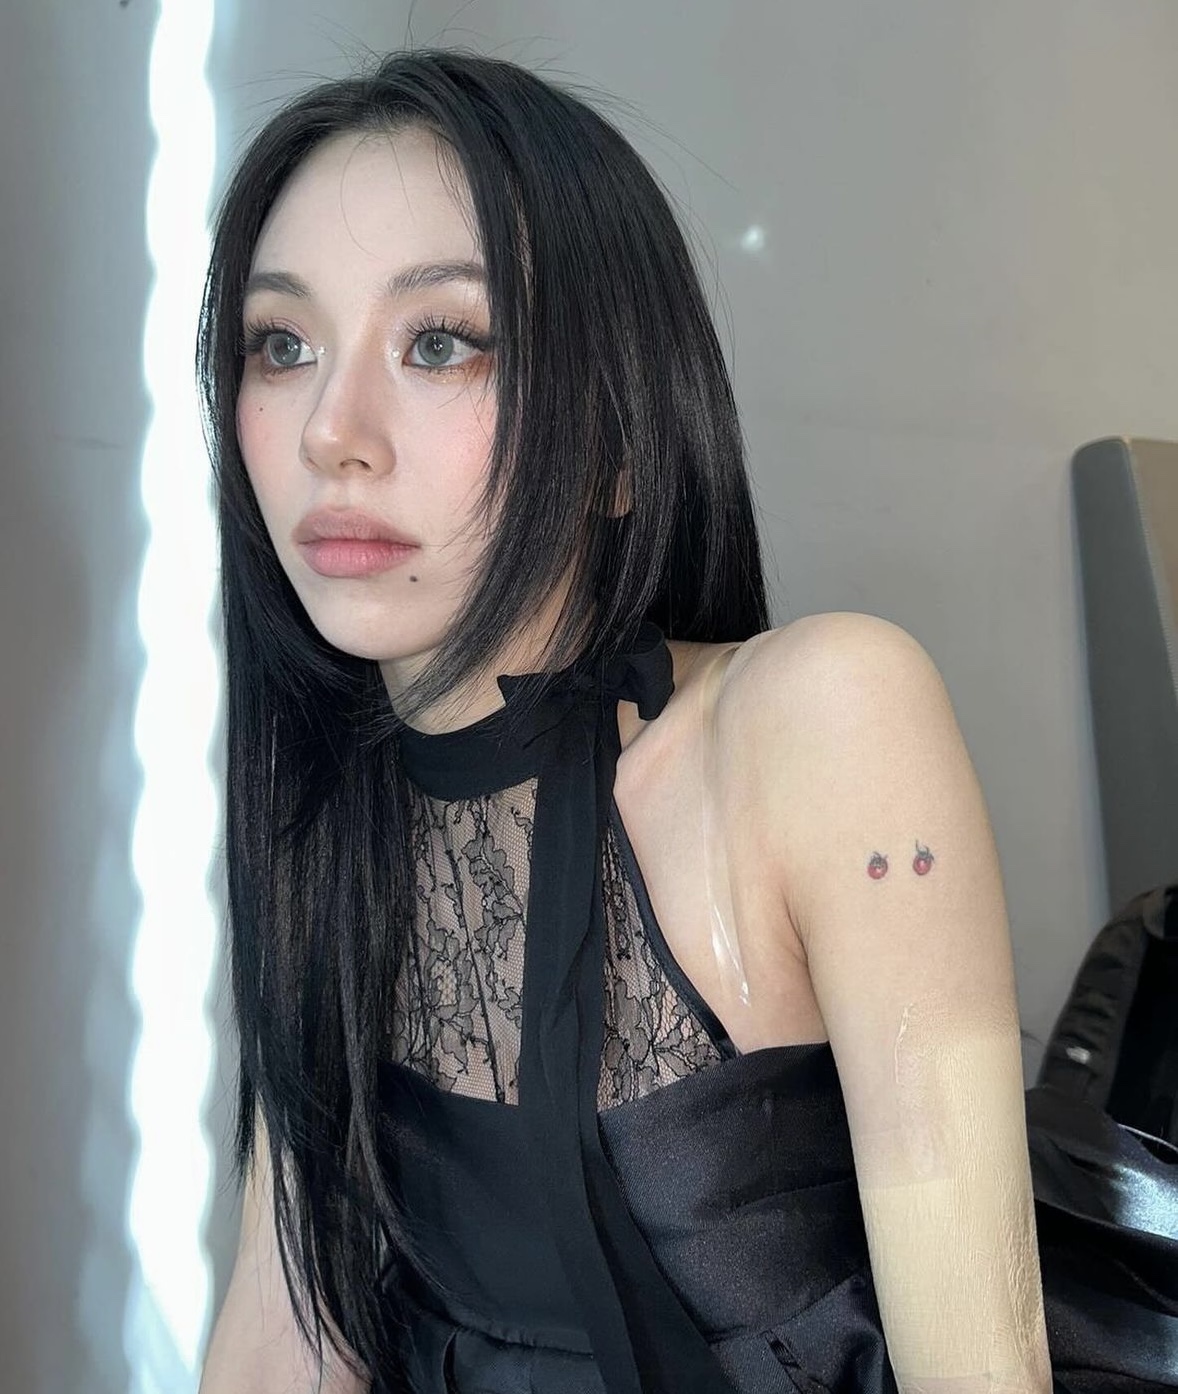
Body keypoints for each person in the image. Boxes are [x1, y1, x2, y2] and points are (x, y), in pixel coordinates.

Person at [195, 50, 1175, 1394]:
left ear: (614, 437)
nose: (331, 431)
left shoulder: (824, 718)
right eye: (281, 345)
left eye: (440, 341)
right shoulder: (317, 819)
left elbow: (976, 1369)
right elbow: (283, 1333)